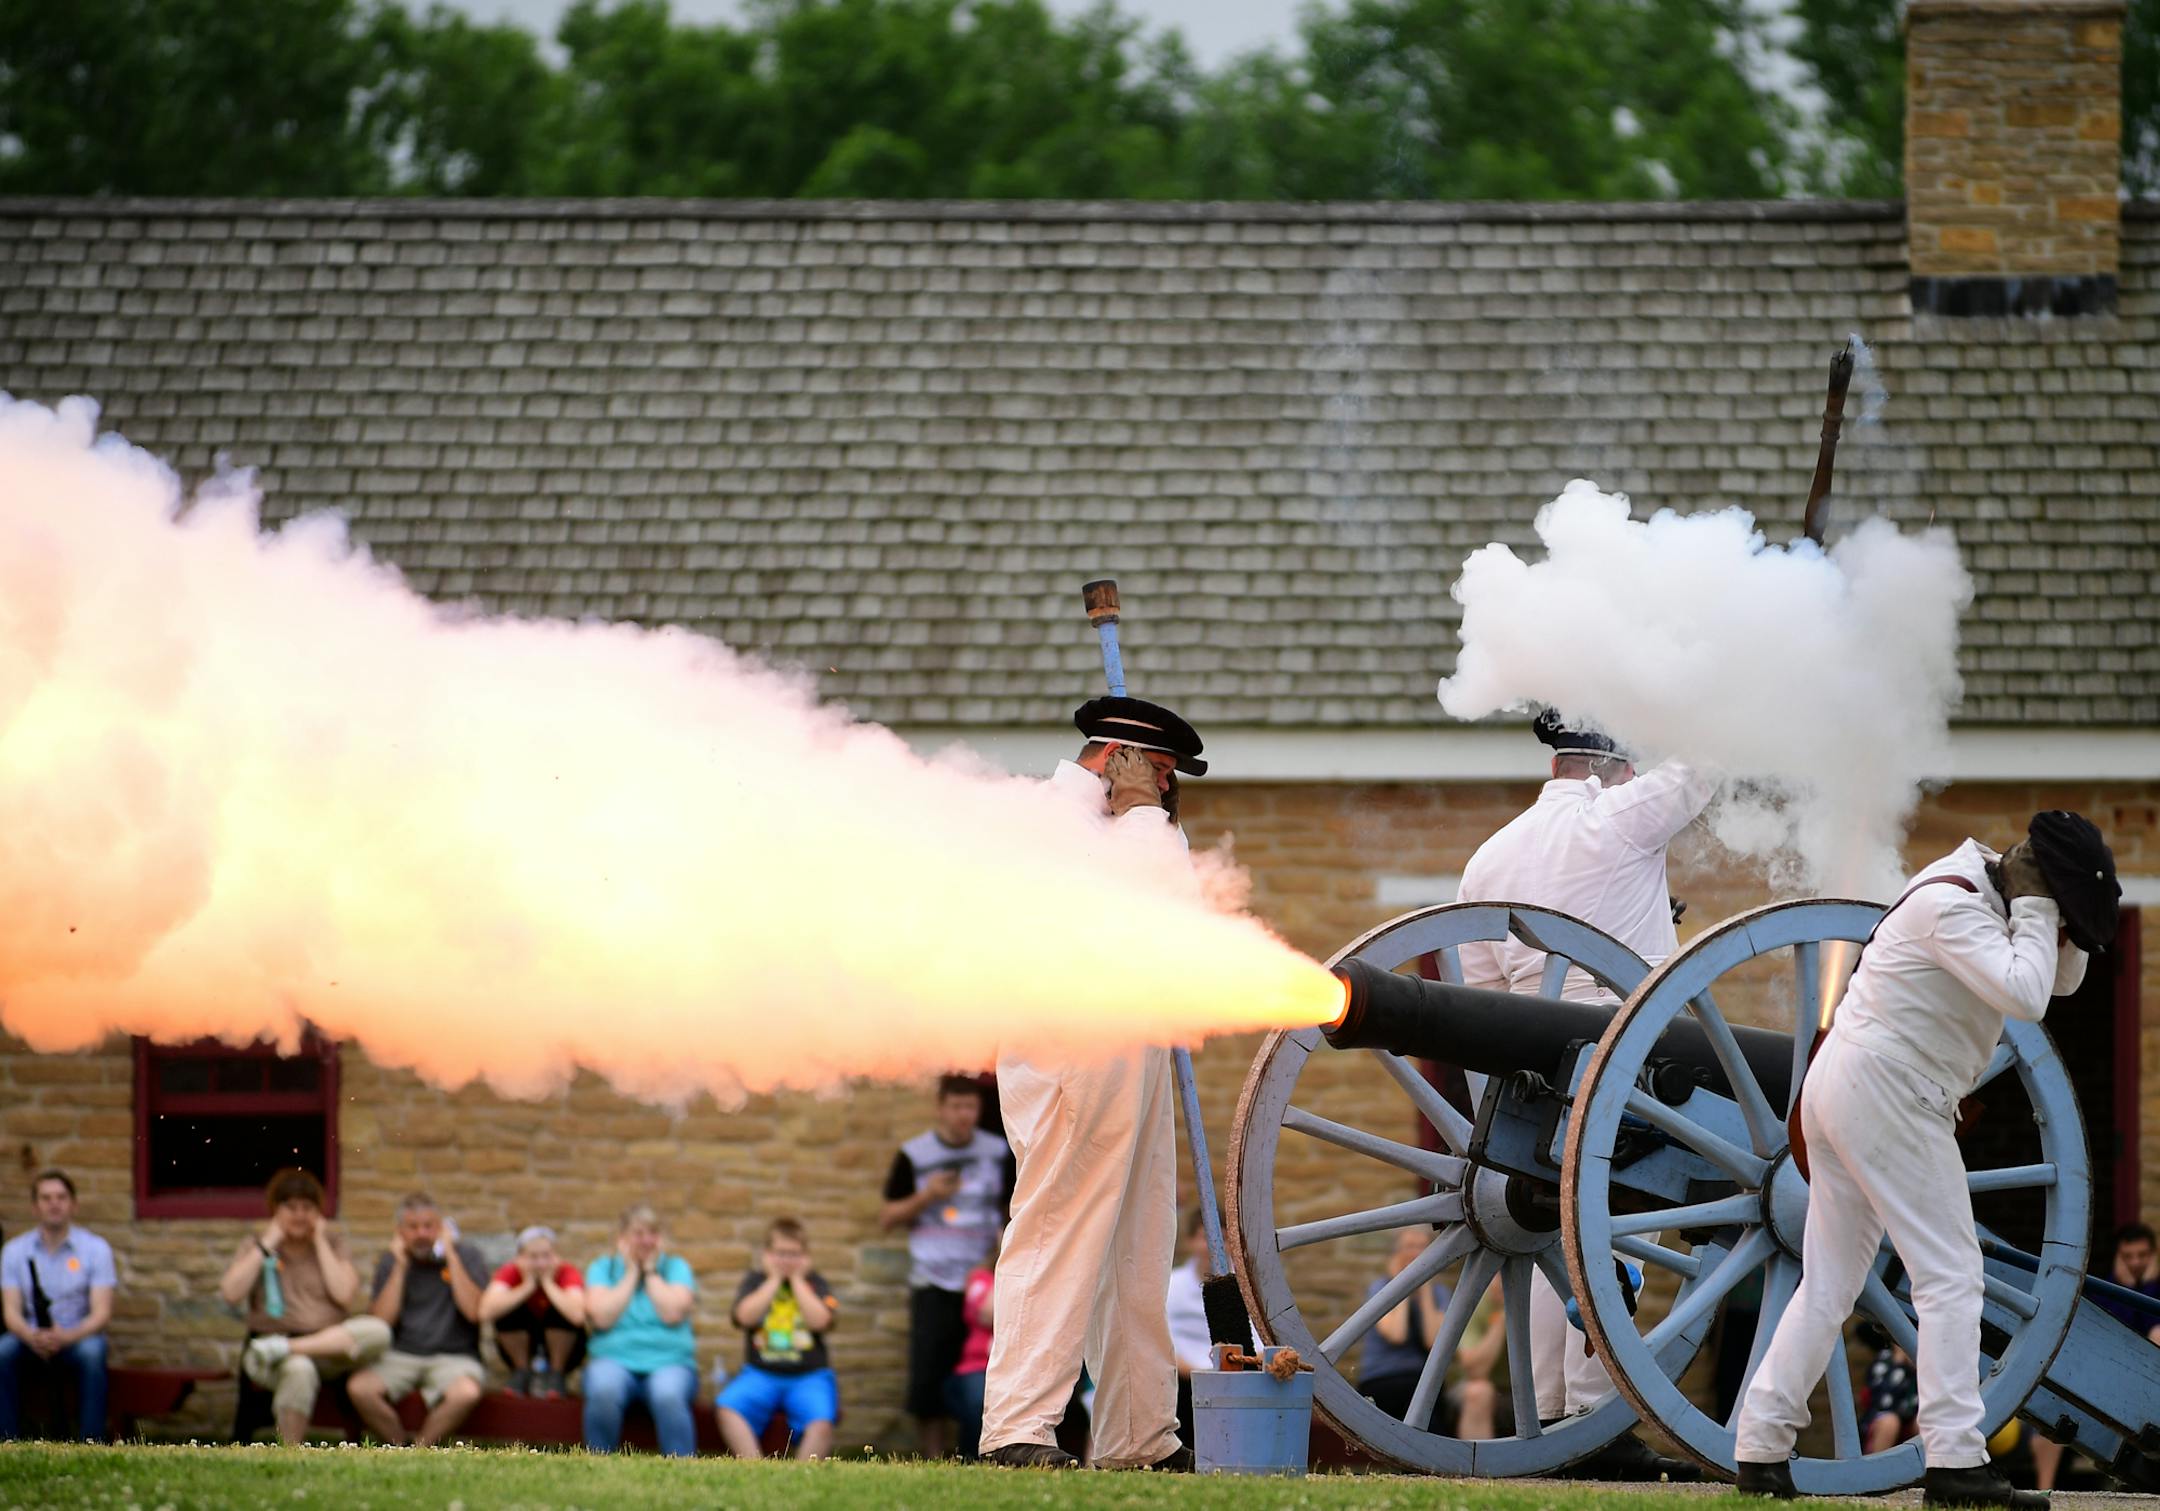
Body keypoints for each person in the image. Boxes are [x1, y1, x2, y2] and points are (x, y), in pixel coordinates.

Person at [1735, 811, 2119, 1509]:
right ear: (2032, 885)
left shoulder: (1979, 891)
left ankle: (1760, 1446)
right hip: (1889, 1086)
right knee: (1950, 1275)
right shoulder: (1954, 904)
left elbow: (2057, 980)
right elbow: (2027, 997)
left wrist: (2056, 917)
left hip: (1855, 1083)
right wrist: (2038, 906)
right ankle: (1954, 1458)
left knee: (1828, 1285)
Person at [1456, 709, 1714, 1478]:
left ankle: (1548, 1420)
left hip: (1530, 1068)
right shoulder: (1616, 818)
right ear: (1610, 765)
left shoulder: (1489, 857)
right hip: (1627, 1057)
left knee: (1543, 1233)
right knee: (1622, 1228)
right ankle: (1594, 1417)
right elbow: (1706, 762)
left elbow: (1477, 992)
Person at [980, 694, 1206, 1472]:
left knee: (1139, 1244)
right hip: (1077, 1039)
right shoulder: (1055, 819)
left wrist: (1144, 816)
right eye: (1162, 773)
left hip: (1128, 1038)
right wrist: (1144, 816)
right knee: (1060, 1223)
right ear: (1121, 761)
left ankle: (1139, 1435)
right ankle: (1016, 1424)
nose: (1169, 792)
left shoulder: (1115, 827)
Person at [880, 1073, 1014, 1457]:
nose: (963, 1115)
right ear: (940, 1108)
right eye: (955, 1107)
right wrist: (928, 1196)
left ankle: (983, 1452)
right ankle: (935, 1459)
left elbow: (1013, 1208)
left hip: (987, 1285)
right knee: (929, 1377)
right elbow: (887, 1217)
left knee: (986, 1374)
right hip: (934, 1282)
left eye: (970, 1107)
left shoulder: (999, 1152)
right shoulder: (914, 1154)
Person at [221, 1168, 390, 1445]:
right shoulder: (256, 1245)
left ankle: (289, 1348)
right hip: (266, 1349)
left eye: (307, 1207)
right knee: (299, 1369)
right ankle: (291, 1452)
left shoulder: (333, 1244)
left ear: (319, 1212)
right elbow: (230, 1293)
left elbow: (344, 1295)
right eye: (291, 1207)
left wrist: (320, 1241)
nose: (300, 1215)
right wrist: (267, 1244)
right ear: (275, 1209)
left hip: (327, 1348)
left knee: (378, 1330)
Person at [346, 1194, 488, 1447]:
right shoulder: (392, 1260)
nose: (422, 1233)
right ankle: (399, 1447)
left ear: (441, 1227)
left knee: (466, 1394)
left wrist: (451, 1256)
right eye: (413, 1227)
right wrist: (400, 1266)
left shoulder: (467, 1256)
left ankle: (421, 1450)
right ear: (400, 1231)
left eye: (429, 1226)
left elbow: (474, 1312)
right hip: (401, 1353)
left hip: (455, 1356)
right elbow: (381, 1321)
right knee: (360, 1389)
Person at [2030, 1223, 2160, 1489]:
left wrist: (2146, 1287)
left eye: (2142, 1256)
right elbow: (2108, 1334)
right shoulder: (2105, 1291)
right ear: (2117, 1257)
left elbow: (2147, 1331)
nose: (2135, 1263)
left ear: (2154, 1256)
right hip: (2105, 1379)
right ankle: (2044, 1491)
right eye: (2128, 1257)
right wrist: (2124, 1285)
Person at [1355, 1227, 1503, 1438]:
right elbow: (1397, 1334)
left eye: (1422, 1248)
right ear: (1396, 1253)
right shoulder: (1379, 1288)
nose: (1416, 1254)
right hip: (1383, 1380)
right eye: (1409, 1247)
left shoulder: (1439, 1293)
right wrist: (1403, 1284)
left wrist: (1424, 1288)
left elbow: (1433, 1341)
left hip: (1422, 1381)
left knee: (1430, 1418)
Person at [0, 1170, 115, 1442]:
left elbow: (102, 1313)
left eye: (61, 1197)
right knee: (2, 1352)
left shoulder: (96, 1249)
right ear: (35, 1206)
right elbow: (11, 1311)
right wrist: (32, 1336)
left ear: (73, 1204)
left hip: (78, 1335)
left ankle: (91, 1443)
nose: (54, 1203)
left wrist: (66, 1336)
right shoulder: (15, 1251)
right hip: (31, 1336)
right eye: (46, 1198)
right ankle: (7, 1440)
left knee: (93, 1353)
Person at [716, 1217, 840, 1460]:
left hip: (810, 1376)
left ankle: (804, 1476)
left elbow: (821, 1321)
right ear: (767, 1254)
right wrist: (773, 1280)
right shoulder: (756, 1281)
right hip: (760, 1373)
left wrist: (796, 1281)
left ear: (806, 1256)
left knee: (822, 1423)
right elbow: (744, 1317)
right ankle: (755, 1470)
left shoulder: (816, 1283)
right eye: (780, 1253)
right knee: (727, 1408)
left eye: (794, 1254)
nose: (786, 1260)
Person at [582, 1203, 699, 1457]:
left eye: (653, 1233)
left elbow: (672, 1312)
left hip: (670, 1362)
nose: (646, 1241)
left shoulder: (676, 1268)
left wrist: (650, 1272)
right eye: (638, 1233)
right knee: (604, 1390)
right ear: (621, 1238)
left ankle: (682, 1469)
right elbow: (601, 1317)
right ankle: (598, 1463)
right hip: (613, 1360)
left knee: (668, 1395)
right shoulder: (602, 1268)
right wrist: (631, 1273)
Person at [479, 1225, 587, 1397]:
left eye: (546, 1256)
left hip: (564, 1347)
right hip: (526, 1340)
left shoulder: (567, 1272)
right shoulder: (511, 1271)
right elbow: (485, 1312)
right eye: (533, 1257)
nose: (541, 1263)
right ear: (520, 1257)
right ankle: (522, 1371)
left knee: (561, 1309)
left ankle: (556, 1374)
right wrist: (527, 1286)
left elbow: (578, 1316)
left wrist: (548, 1283)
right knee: (506, 1309)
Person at [1166, 1211, 1213, 1449]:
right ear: (1192, 1241)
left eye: (1223, 1239)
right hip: (1181, 1380)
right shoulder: (1172, 1284)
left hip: (1228, 1375)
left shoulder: (1246, 1288)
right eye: (1206, 1237)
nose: (1214, 1246)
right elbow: (1163, 1336)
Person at [947, 1262, 996, 1461]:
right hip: (978, 1366)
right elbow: (988, 1314)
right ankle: (971, 1459)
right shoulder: (981, 1278)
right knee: (978, 1403)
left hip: (1024, 1368)